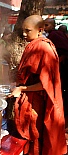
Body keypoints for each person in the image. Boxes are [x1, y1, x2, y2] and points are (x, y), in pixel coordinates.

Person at [9, 15, 67, 155]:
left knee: (36, 137)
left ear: (40, 30)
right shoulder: (33, 44)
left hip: (38, 101)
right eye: (23, 30)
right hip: (30, 97)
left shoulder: (43, 48)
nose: (24, 34)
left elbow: (45, 84)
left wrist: (23, 88)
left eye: (28, 31)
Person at [44, 18, 68, 129]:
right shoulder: (53, 35)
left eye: (47, 25)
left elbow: (64, 52)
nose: (45, 27)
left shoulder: (54, 34)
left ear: (52, 25)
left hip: (61, 69)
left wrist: (55, 65)